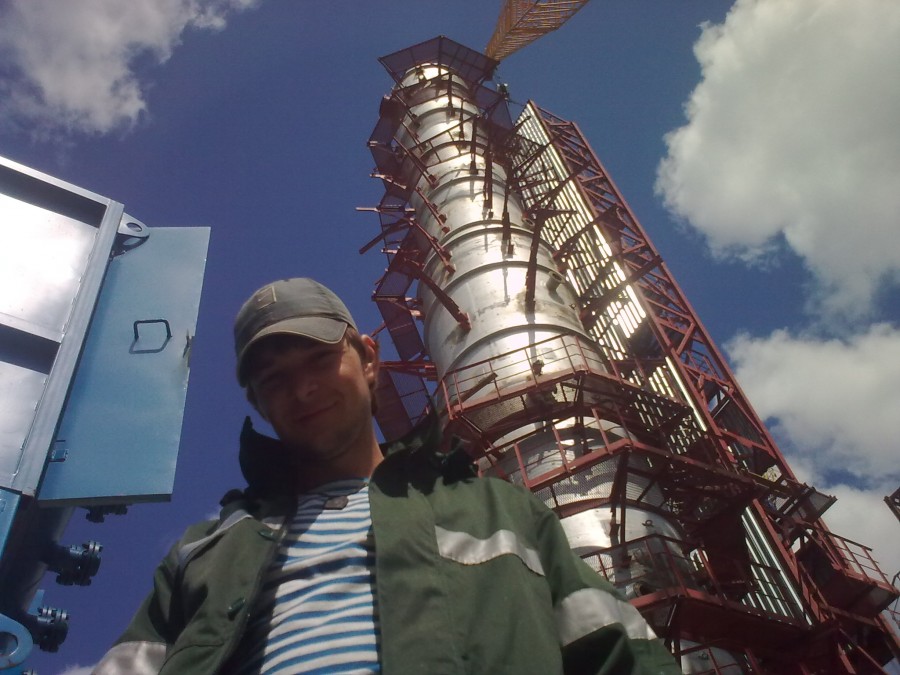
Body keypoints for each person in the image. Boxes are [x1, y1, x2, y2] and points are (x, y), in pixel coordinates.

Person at [94, 277, 681, 674]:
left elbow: (620, 652)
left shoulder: (498, 510)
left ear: (369, 359)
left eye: (320, 359)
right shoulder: (205, 551)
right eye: (274, 380)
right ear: (257, 403)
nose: (303, 389)